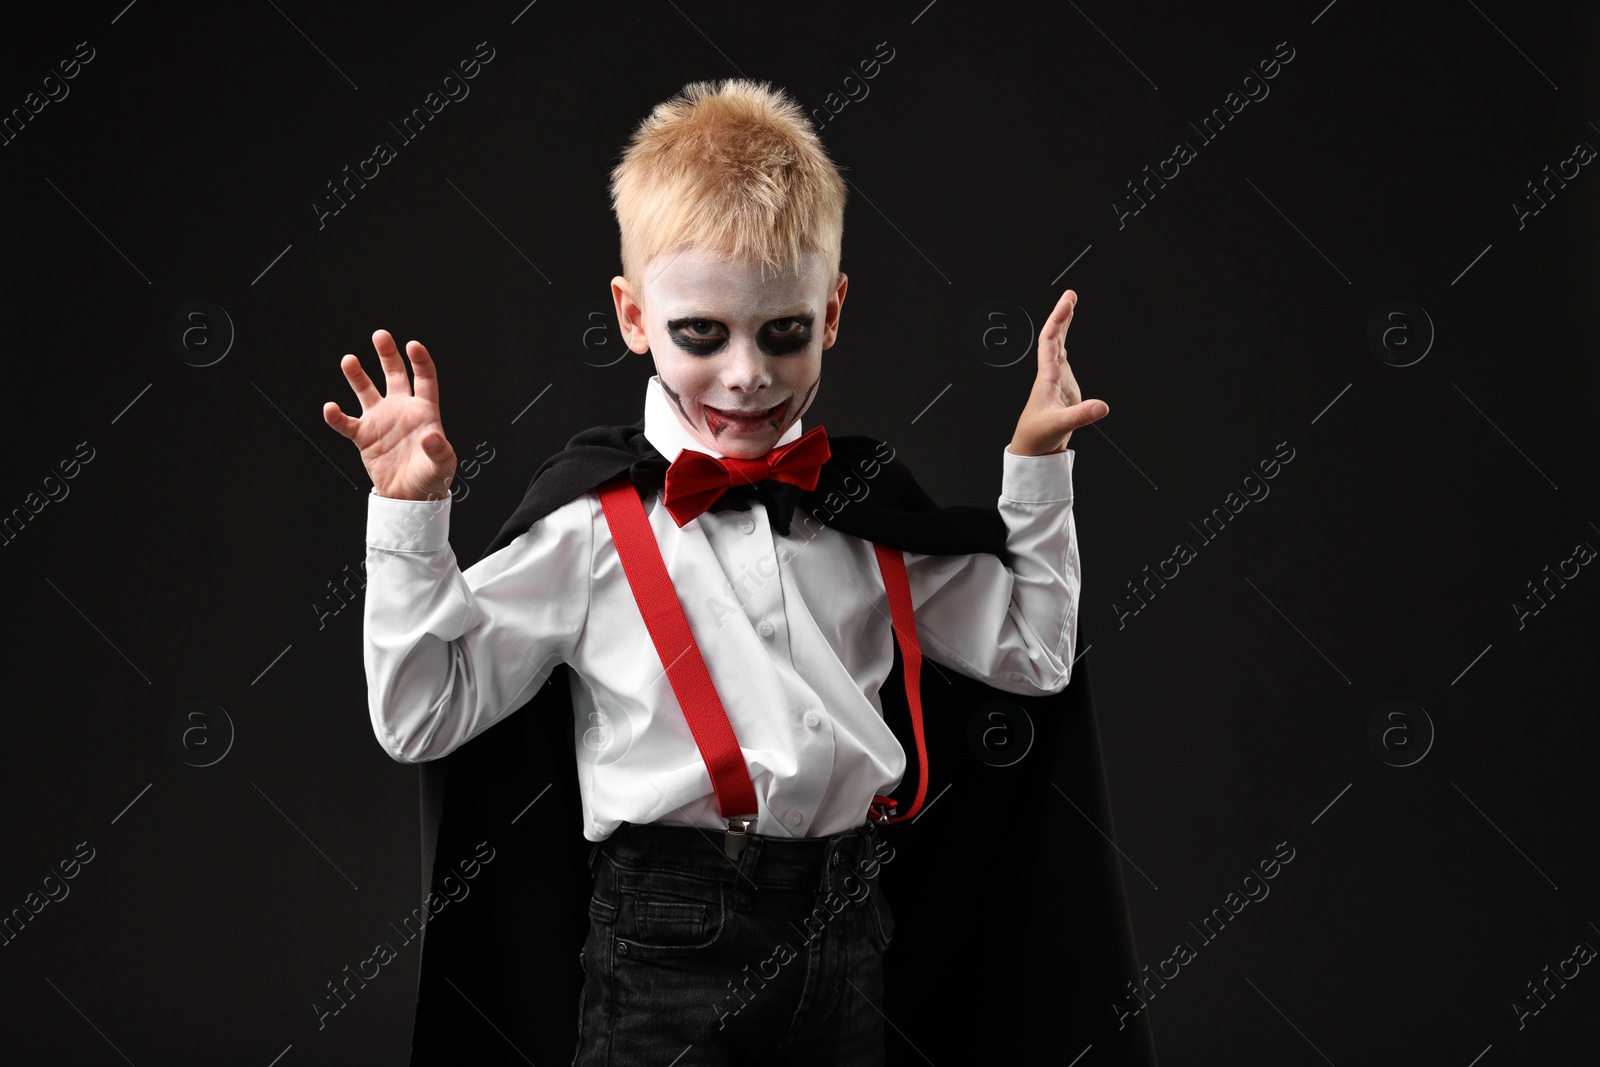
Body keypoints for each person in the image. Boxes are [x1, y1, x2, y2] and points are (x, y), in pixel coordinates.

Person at [323, 79, 1130, 1065]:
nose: (746, 373)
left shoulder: (867, 508)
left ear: (831, 312)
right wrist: (407, 516)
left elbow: (1034, 656)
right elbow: (419, 713)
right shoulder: (589, 524)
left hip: (847, 926)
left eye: (781, 330)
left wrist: (1037, 471)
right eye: (701, 333)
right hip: (661, 940)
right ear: (632, 316)